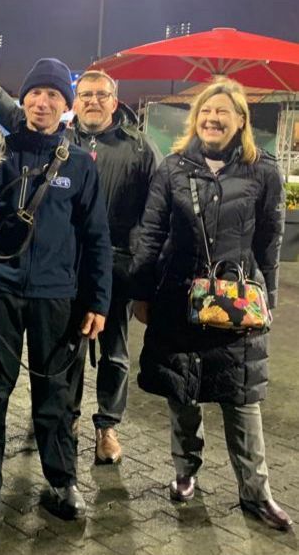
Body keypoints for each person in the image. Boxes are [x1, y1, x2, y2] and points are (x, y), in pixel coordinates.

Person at [130, 78, 292, 531]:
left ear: (240, 120)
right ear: (195, 118)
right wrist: (140, 292)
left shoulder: (264, 172)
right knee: (183, 395)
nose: (212, 118)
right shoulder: (173, 169)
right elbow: (151, 233)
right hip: (179, 299)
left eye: (223, 112)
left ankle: (256, 493)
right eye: (205, 111)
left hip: (237, 305)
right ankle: (185, 472)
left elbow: (269, 242)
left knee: (242, 400)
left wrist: (270, 297)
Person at [0, 58, 112, 524]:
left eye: (53, 96)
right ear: (22, 99)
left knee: (54, 395)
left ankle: (61, 482)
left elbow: (97, 239)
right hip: (0, 290)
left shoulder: (81, 165)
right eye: (35, 94)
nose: (42, 102)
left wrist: (98, 301)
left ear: (64, 108)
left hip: (56, 295)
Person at [0, 70, 159, 464]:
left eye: (102, 95)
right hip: (64, 269)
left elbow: (155, 219)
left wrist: (146, 282)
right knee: (70, 355)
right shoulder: (60, 141)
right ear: (73, 103)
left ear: (115, 102)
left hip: (115, 268)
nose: (93, 102)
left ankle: (107, 427)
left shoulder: (140, 149)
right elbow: (22, 115)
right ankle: (67, 419)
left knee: (114, 353)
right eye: (86, 95)